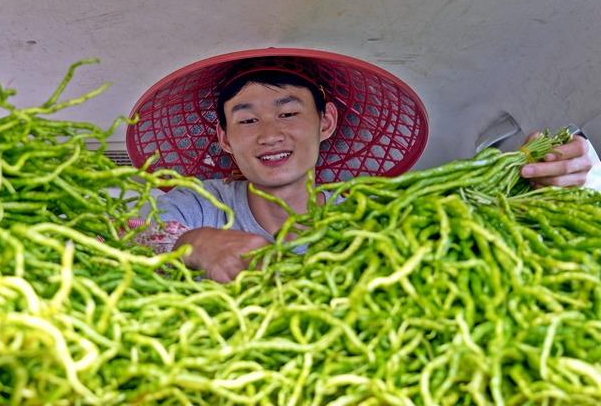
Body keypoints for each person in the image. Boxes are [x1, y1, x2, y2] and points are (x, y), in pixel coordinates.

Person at [127, 48, 595, 283]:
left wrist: (550, 183)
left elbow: (470, 240)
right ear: (225, 139)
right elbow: (126, 243)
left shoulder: (372, 211)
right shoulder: (197, 206)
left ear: (325, 122)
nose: (269, 133)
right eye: (246, 119)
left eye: (289, 113)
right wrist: (193, 245)